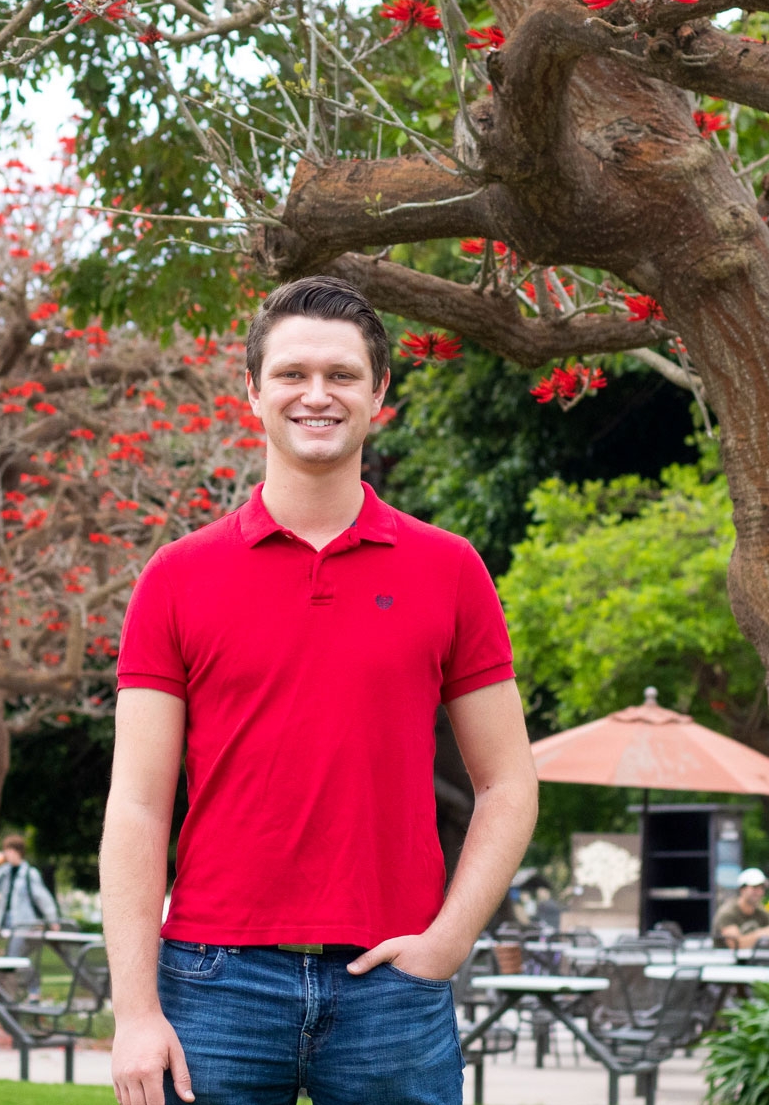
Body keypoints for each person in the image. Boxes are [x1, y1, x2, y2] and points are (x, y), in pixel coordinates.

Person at [100, 277, 540, 1105]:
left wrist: (446, 944)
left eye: (341, 375)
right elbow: (136, 807)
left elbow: (508, 782)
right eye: (293, 373)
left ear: (379, 393)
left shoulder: (450, 570)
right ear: (254, 394)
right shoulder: (176, 578)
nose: (316, 394)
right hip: (212, 980)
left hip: (392, 987)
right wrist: (134, 1011)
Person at [0, 834, 61, 932]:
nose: (5, 854)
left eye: (9, 850)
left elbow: (43, 898)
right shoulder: (3, 873)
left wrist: (53, 920)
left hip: (24, 925)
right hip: (3, 924)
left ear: (17, 852)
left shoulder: (29, 874)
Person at [714, 867, 769, 950]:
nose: (759, 892)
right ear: (742, 889)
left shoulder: (763, 913)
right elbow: (735, 945)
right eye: (755, 888)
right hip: (726, 960)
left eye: (762, 888)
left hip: (756, 960)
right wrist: (764, 933)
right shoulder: (728, 913)